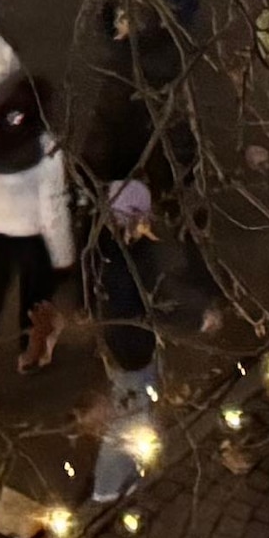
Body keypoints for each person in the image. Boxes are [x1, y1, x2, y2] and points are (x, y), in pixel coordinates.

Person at [0, 30, 77, 371]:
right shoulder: (48, 151)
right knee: (35, 299)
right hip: (31, 238)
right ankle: (31, 354)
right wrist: (63, 257)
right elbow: (53, 209)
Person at [83, 180, 169, 506]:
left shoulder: (107, 251)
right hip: (132, 353)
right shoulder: (121, 268)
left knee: (134, 413)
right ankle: (106, 488)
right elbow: (131, 314)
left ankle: (128, 472)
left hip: (127, 349)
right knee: (127, 421)